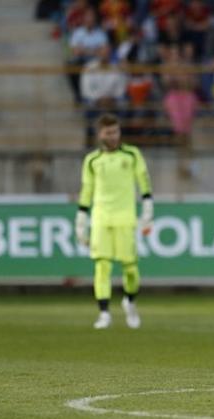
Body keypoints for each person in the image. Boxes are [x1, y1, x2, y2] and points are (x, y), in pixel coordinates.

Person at [75, 113, 154, 329]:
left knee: (130, 268)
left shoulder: (131, 154)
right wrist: (81, 219)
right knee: (102, 267)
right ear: (100, 134)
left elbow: (143, 181)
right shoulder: (92, 160)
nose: (113, 136)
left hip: (125, 218)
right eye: (108, 133)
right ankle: (104, 314)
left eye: (116, 132)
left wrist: (148, 209)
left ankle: (129, 301)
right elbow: (86, 191)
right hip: (101, 219)